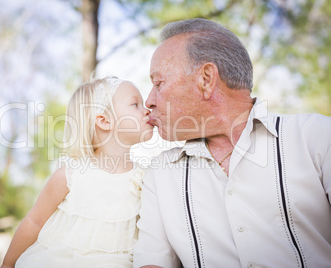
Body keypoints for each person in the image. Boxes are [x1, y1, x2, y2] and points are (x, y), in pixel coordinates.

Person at [133, 18, 331, 268]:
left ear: (206, 79)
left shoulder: (317, 137)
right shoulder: (160, 174)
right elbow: (152, 261)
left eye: (158, 83)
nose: (149, 101)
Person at [1, 76, 154, 268]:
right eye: (135, 104)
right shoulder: (70, 175)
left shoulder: (144, 179)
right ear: (104, 121)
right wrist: (7, 265)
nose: (147, 109)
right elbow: (34, 222)